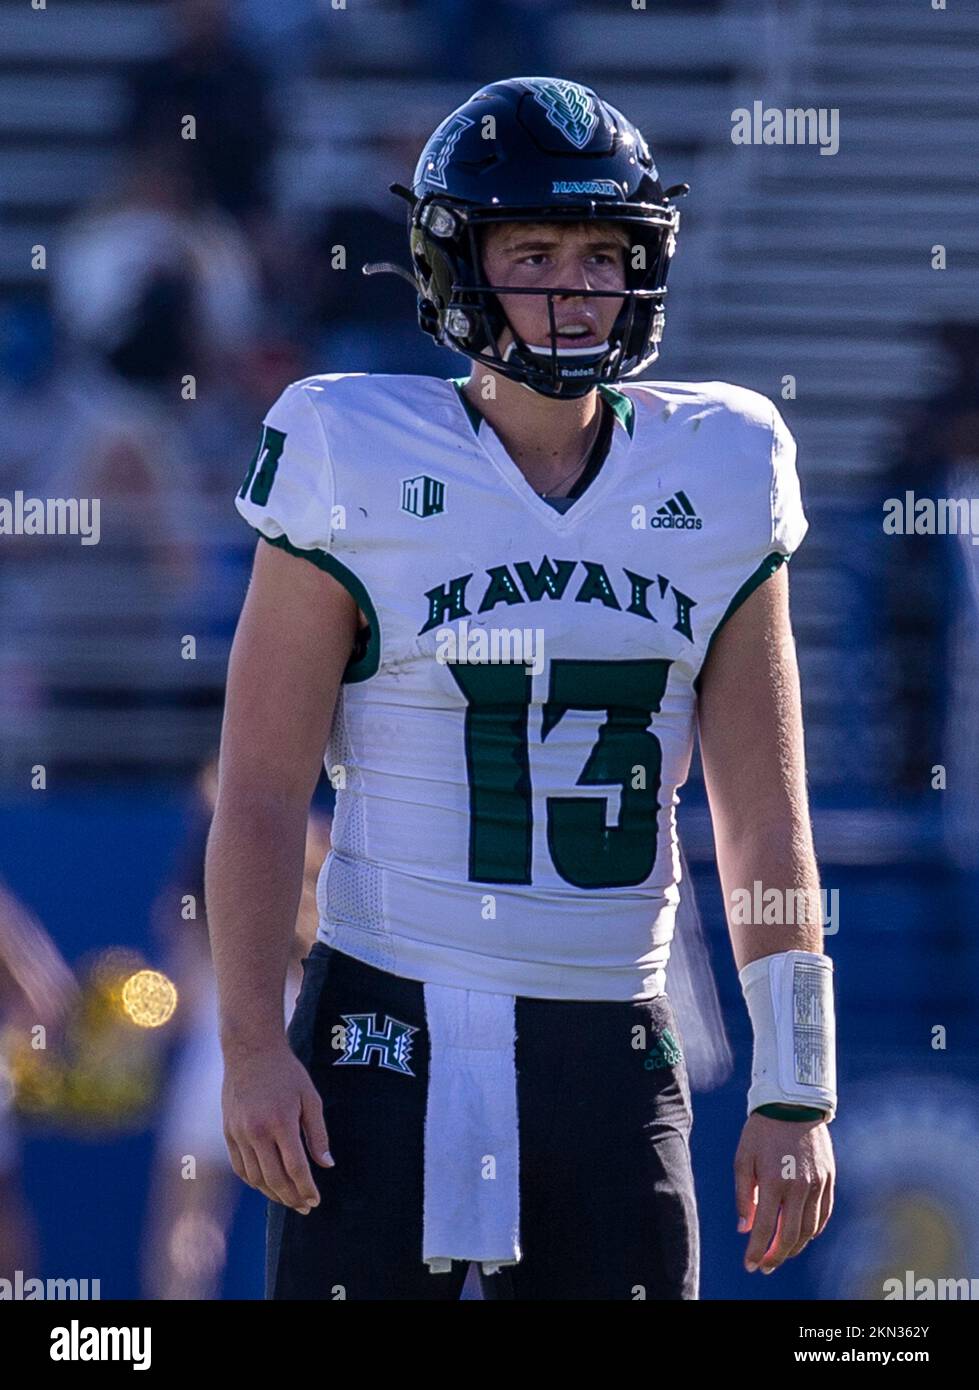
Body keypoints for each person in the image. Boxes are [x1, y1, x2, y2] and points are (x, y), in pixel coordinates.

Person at [207, 77, 837, 1301]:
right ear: (459, 267)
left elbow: (764, 819)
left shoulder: (722, 463)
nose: (571, 285)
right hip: (385, 1024)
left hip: (612, 1036)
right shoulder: (352, 450)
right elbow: (264, 788)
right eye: (533, 249)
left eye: (602, 253)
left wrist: (794, 1081)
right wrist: (247, 1046)